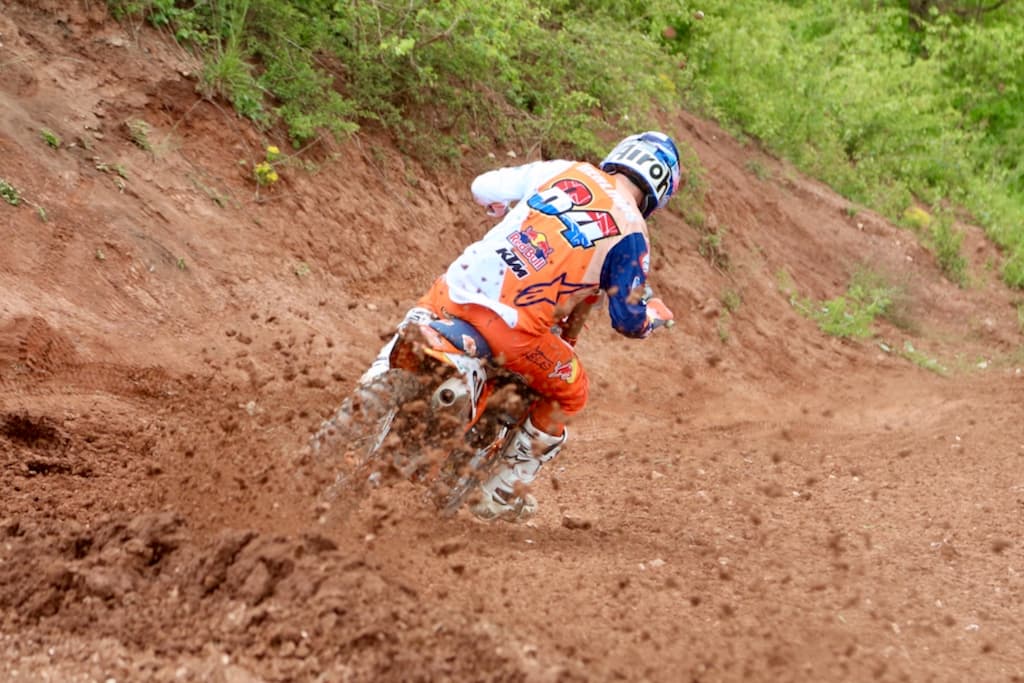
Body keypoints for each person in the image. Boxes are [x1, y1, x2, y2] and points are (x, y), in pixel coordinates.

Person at [366, 131, 680, 522]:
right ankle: (498, 493)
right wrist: (653, 318)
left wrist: (499, 207)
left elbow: (482, 187)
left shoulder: (565, 170)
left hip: (457, 290)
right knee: (573, 393)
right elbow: (627, 319)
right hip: (515, 330)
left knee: (418, 323)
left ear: (620, 154)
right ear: (661, 191)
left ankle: (367, 394)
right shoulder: (632, 234)